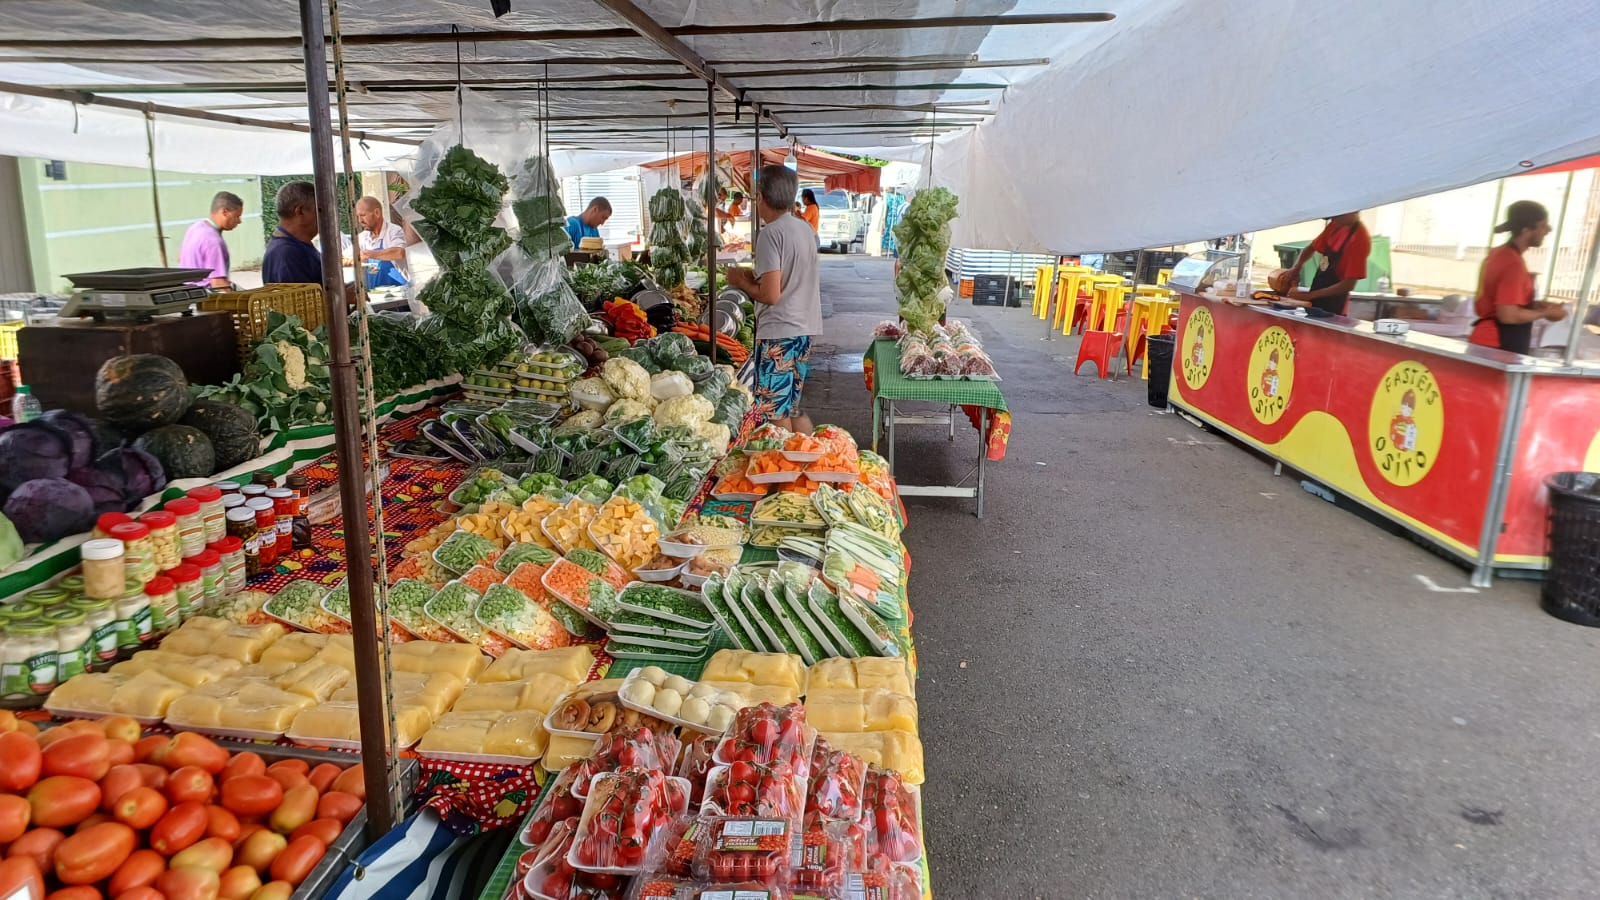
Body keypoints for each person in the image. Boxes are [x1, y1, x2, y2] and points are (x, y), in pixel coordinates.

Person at [722, 165, 822, 433]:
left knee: (773, 414)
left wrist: (739, 281)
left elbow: (771, 295)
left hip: (779, 332)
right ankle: (811, 461)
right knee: (792, 406)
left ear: (762, 197)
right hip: (804, 328)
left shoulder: (770, 234)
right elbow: (788, 279)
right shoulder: (804, 230)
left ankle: (783, 470)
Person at [1468, 200, 1566, 354]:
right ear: (1526, 230)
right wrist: (1546, 313)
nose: (1548, 230)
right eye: (1543, 225)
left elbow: (1504, 302)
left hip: (1488, 340)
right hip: (1498, 344)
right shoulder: (1512, 264)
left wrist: (1535, 305)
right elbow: (1508, 315)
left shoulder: (1500, 254)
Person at [1282, 212, 1372, 315]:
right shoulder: (1334, 226)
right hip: (1316, 296)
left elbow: (1348, 284)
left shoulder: (1359, 239)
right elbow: (1310, 248)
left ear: (1352, 211)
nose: (1333, 220)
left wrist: (1309, 295)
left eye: (1336, 216)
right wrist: (1296, 268)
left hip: (1334, 306)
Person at [261, 181, 324, 284]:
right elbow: (302, 299)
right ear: (300, 211)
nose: (324, 217)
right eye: (319, 211)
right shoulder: (288, 254)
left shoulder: (294, 246)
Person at [178, 191, 244, 288]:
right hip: (206, 297)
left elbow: (180, 258)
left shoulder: (195, 227)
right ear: (224, 212)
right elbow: (218, 284)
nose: (239, 221)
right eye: (237, 216)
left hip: (188, 293)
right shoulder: (213, 241)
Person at [350, 196, 409, 287]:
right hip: (376, 294)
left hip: (400, 292)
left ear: (377, 213)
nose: (360, 220)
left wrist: (368, 254)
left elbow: (399, 253)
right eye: (358, 217)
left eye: (363, 215)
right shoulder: (363, 237)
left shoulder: (394, 231)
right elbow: (345, 258)